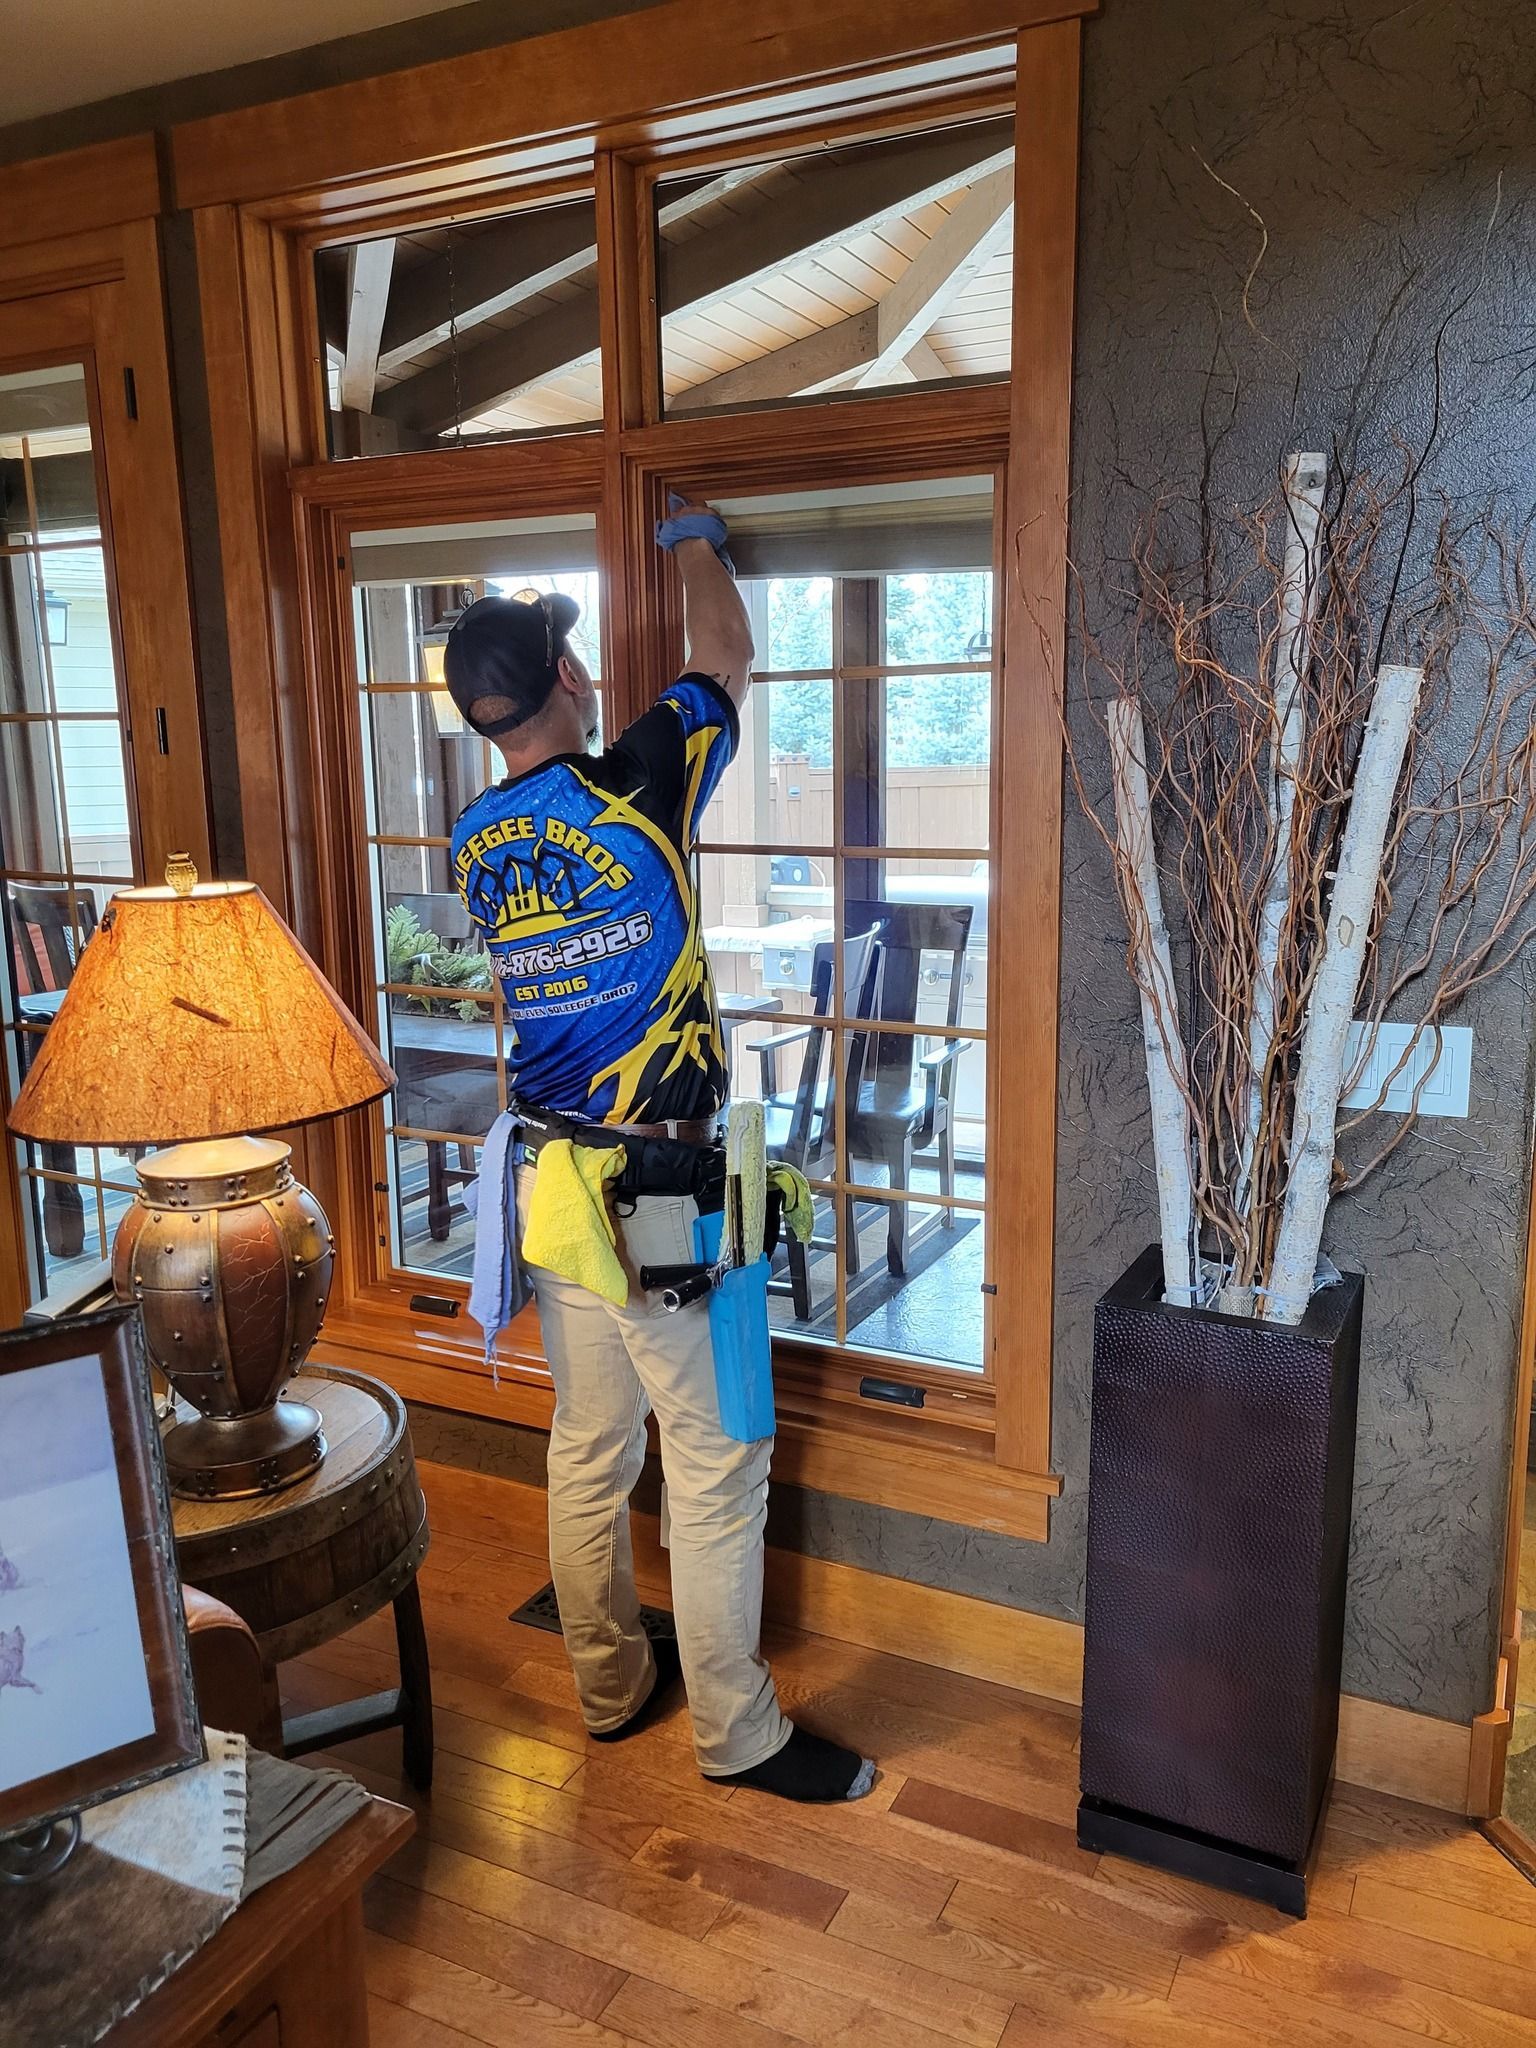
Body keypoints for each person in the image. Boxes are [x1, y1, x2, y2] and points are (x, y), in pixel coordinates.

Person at [446, 506, 874, 1803]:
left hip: (556, 1181)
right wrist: (692, 536)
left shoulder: (477, 841)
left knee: (588, 1448)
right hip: (666, 1189)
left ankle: (610, 1687)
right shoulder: (636, 777)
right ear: (569, 680)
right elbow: (728, 654)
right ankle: (738, 1736)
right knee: (719, 1462)